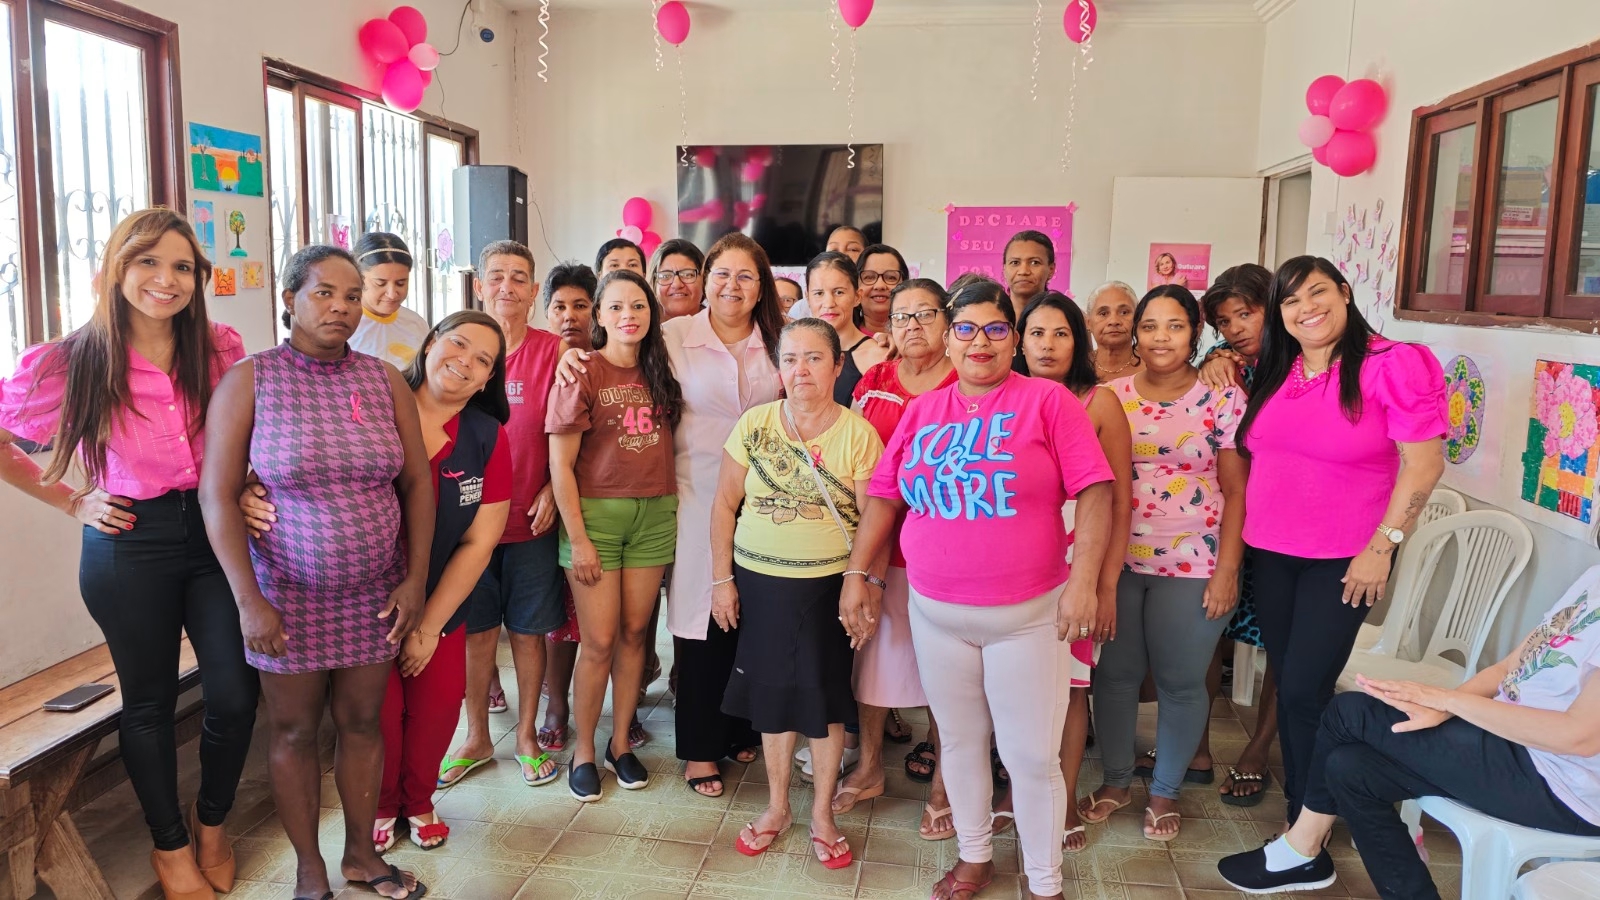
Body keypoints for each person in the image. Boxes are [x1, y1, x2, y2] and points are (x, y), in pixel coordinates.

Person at [0, 209, 256, 900]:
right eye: (147, 262)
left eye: (180, 267)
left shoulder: (219, 347)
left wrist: (252, 489)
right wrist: (71, 501)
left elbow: (245, 438)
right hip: (126, 543)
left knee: (234, 692)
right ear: (116, 269)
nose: (164, 280)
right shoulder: (67, 360)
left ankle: (211, 824)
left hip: (211, 533)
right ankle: (170, 849)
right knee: (147, 702)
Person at [840, 278, 1115, 900]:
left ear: (1012, 339)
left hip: (1026, 616)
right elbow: (884, 498)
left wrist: (1086, 585)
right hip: (936, 614)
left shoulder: (1047, 402)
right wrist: (860, 575)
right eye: (966, 328)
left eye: (995, 329)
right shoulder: (922, 411)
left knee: (1030, 757)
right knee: (960, 743)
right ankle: (973, 856)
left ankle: (1044, 883)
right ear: (948, 336)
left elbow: (1097, 491)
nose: (980, 341)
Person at [200, 244, 434, 900]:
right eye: (324, 293)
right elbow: (217, 495)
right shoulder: (252, 380)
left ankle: (362, 857)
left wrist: (414, 580)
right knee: (296, 730)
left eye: (351, 296)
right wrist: (248, 600)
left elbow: (417, 482)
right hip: (286, 596)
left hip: (374, 593)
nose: (341, 307)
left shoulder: (383, 380)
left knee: (363, 724)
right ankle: (309, 870)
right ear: (288, 299)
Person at [239, 311, 514, 855]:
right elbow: (294, 459)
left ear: (488, 380)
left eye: (482, 360)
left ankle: (419, 800)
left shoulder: (487, 437)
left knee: (437, 709)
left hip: (442, 598)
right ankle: (382, 804)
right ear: (430, 343)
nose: (464, 361)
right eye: (457, 343)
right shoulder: (370, 404)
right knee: (373, 716)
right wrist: (250, 491)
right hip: (365, 598)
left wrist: (431, 624)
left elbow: (480, 541)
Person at [1219, 564, 1600, 897]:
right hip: (1509, 742)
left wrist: (1448, 702)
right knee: (1349, 768)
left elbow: (1579, 737)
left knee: (1349, 712)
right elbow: (1506, 670)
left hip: (1562, 786)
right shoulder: (1593, 577)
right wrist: (1439, 706)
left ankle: (1303, 847)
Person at [561, 232, 785, 797]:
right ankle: (699, 747)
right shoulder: (674, 334)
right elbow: (615, 350)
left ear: (762, 287)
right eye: (721, 274)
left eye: (746, 276)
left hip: (765, 499)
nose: (732, 285)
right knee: (699, 620)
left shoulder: (778, 341)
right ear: (705, 280)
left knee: (752, 616)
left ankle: (739, 728)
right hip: (687, 495)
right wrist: (573, 353)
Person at [1234, 255, 1446, 827]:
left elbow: (1424, 464)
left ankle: (1315, 817)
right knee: (1294, 683)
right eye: (1292, 300)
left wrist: (1383, 545)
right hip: (1272, 553)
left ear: (1346, 292)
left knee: (1303, 690)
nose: (1308, 309)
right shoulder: (1281, 368)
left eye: (1318, 292)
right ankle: (1305, 805)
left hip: (1347, 560)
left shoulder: (1392, 364)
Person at [712, 318, 884, 869]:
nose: (800, 370)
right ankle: (778, 806)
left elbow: (876, 521)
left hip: (827, 588)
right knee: (771, 698)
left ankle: (823, 816)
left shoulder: (858, 433)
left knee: (825, 699)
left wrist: (863, 585)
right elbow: (723, 506)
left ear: (838, 366)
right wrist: (721, 580)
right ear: (777, 366)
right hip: (758, 583)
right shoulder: (754, 425)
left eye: (814, 358)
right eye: (790, 359)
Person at [1081, 285, 1246, 843]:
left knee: (1180, 680)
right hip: (1118, 560)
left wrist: (1227, 570)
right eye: (1149, 326)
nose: (1159, 338)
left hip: (1195, 561)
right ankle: (1117, 780)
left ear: (1194, 333)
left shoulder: (1222, 398)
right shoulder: (1112, 395)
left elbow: (1237, 491)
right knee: (1117, 675)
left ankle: (1165, 791)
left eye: (1174, 326)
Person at [827, 279, 958, 843]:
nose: (911, 326)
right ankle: (872, 764)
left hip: (947, 553)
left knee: (953, 673)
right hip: (881, 548)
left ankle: (945, 784)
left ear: (947, 324)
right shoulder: (875, 381)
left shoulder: (968, 382)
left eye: (924, 314)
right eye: (901, 316)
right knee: (873, 660)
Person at [547, 270, 684, 802]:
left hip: (655, 514)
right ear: (599, 316)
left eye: (640, 306)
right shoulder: (580, 371)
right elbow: (561, 465)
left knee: (634, 636)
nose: (630, 314)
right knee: (598, 641)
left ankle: (620, 744)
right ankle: (585, 751)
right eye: (617, 306)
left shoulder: (662, 370)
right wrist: (577, 538)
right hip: (596, 520)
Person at [441, 242, 567, 791]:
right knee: (475, 632)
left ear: (535, 291)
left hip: (530, 520)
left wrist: (555, 492)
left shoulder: (555, 352)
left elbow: (573, 436)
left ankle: (525, 737)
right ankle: (474, 737)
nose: (508, 287)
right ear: (479, 286)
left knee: (529, 631)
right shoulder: (457, 351)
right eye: (497, 277)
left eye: (520, 278)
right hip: (467, 525)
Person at [1014, 290, 1132, 852]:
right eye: (1036, 332)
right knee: (1007, 687)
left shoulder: (1099, 402)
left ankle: (1059, 804)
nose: (1047, 344)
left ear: (1077, 340)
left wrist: (1102, 584)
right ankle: (1014, 792)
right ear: (1018, 339)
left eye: (1060, 332)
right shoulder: (1000, 396)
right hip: (1015, 568)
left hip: (1073, 569)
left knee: (1070, 691)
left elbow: (1118, 501)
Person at [1192, 262, 1279, 807]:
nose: (1237, 329)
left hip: (1285, 525)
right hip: (1230, 520)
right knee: (1207, 633)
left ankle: (1257, 750)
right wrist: (1213, 359)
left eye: (1246, 313)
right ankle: (1195, 745)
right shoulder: (1227, 369)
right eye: (1224, 323)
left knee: (1281, 643)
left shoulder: (1300, 367)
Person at [537, 262, 597, 753]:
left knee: (596, 619)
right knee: (556, 617)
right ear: (545, 310)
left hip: (593, 505)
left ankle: (611, 709)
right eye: (560, 306)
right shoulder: (538, 358)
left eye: (581, 306)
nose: (570, 316)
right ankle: (556, 704)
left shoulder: (605, 360)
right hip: (541, 505)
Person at [804, 251, 889, 406]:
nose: (829, 303)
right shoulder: (797, 354)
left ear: (857, 296)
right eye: (819, 293)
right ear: (808, 298)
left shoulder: (878, 357)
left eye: (839, 292)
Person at [347, 232, 429, 369]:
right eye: (380, 283)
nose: (392, 294)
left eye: (401, 283)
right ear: (358, 278)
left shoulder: (416, 323)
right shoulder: (344, 326)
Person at [1086, 281, 1143, 382]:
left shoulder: (1153, 366)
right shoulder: (1076, 366)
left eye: (1124, 312)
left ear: (1137, 318)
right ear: (1089, 323)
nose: (1114, 321)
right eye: (1103, 313)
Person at [856, 243, 909, 335]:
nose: (880, 286)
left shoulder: (918, 336)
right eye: (869, 277)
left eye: (891, 277)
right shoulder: (840, 341)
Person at [1002, 230, 1056, 316]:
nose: (1023, 271)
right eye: (1015, 263)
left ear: (1051, 269)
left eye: (1034, 262)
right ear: (1004, 270)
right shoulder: (990, 317)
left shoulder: (1065, 318)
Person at [650, 237, 706, 320]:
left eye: (687, 275)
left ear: (705, 280)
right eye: (665, 276)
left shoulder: (722, 326)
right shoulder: (643, 327)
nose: (677, 284)